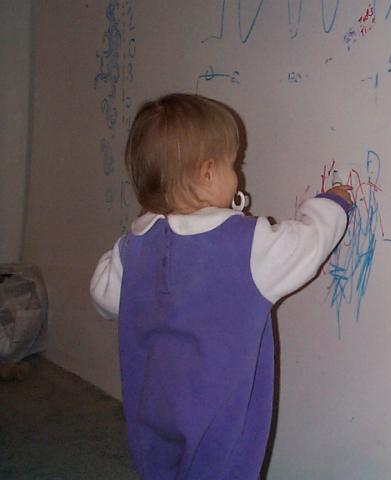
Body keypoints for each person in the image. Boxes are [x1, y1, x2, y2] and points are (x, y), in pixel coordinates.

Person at [90, 93, 351, 480]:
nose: (238, 175)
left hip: (153, 406)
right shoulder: (246, 243)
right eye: (233, 164)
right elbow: (308, 243)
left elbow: (103, 297)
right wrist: (333, 203)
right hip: (218, 421)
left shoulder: (131, 248)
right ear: (208, 173)